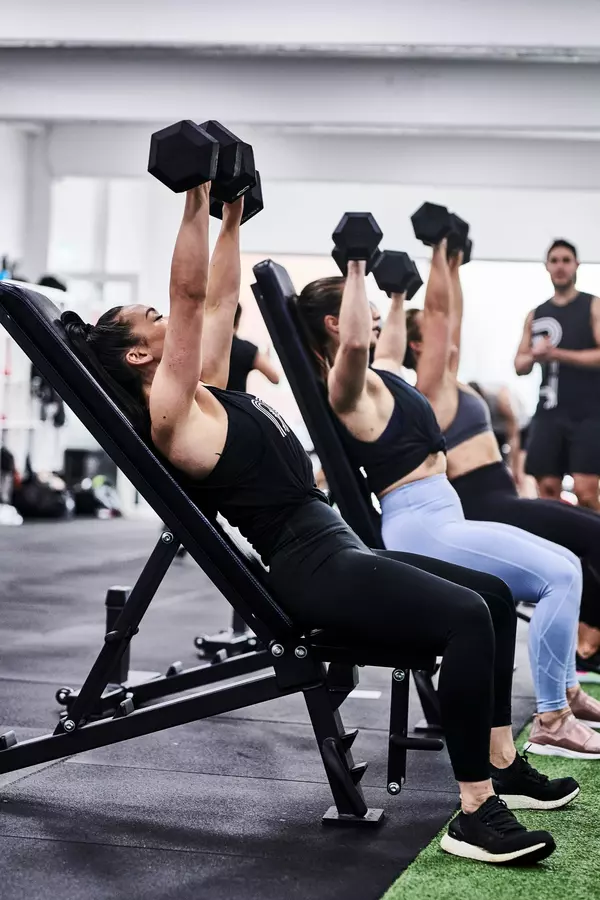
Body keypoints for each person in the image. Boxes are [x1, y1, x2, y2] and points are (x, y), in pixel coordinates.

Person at [60, 183, 572, 867]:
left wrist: (230, 216)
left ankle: (502, 762)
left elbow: (215, 300)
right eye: (151, 318)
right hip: (311, 567)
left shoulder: (209, 391)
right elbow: (188, 297)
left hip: (334, 543)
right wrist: (195, 197)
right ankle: (476, 810)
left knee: (496, 597)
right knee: (467, 618)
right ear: (137, 356)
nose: (169, 316)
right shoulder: (173, 417)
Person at [296, 241, 600, 761]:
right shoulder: (347, 388)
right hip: (421, 524)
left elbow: (428, 321)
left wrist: (402, 292)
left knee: (568, 563)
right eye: (363, 307)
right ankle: (552, 720)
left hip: (443, 513)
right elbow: (355, 343)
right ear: (334, 323)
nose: (374, 316)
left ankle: (566, 693)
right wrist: (356, 265)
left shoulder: (382, 373)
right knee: (560, 577)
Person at [404, 244, 600, 686]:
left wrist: (452, 264)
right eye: (435, 333)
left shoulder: (450, 379)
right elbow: (443, 315)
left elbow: (450, 317)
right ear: (418, 345)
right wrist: (438, 255)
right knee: (591, 536)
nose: (449, 336)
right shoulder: (430, 388)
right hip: (485, 505)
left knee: (585, 539)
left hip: (502, 497)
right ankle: (588, 644)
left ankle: (587, 642)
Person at [515, 240, 600, 510]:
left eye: (566, 260)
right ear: (547, 266)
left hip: (588, 413)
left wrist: (557, 354)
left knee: (586, 491)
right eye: (554, 261)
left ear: (576, 265)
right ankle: (557, 539)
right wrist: (535, 356)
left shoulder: (593, 306)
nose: (560, 266)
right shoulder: (536, 314)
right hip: (549, 412)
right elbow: (519, 364)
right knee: (548, 492)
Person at [226, 303, 280, 392]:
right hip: (234, 400)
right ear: (237, 322)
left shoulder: (206, 345)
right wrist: (266, 359)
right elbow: (275, 378)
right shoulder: (246, 349)